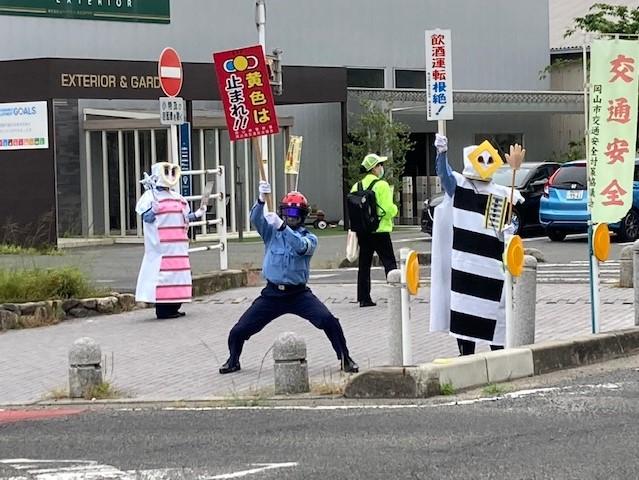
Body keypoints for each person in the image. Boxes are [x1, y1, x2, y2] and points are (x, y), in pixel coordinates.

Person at [219, 181, 359, 374]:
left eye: (295, 214)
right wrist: (260, 199)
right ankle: (233, 360)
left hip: (299, 294)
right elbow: (256, 219)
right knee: (239, 330)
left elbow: (300, 246)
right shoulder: (271, 233)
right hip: (272, 294)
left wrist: (283, 227)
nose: (290, 218)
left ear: (303, 216)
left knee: (329, 321)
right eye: (287, 213)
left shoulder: (310, 237)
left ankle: (345, 358)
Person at [429, 134, 524, 355]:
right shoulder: (460, 187)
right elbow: (445, 176)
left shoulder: (497, 193)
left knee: (496, 318)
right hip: (465, 265)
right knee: (465, 316)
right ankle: (466, 356)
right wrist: (441, 154)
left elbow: (497, 229)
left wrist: (507, 233)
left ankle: (499, 356)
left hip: (491, 266)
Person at [135, 162, 205, 319]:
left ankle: (174, 306)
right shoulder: (150, 197)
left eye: (173, 172)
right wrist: (152, 210)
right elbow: (146, 218)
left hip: (179, 247)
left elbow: (185, 217)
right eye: (166, 172)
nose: (170, 176)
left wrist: (198, 214)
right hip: (162, 248)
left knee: (179, 276)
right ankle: (164, 309)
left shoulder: (177, 197)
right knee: (163, 277)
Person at [350, 153, 398, 307]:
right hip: (380, 230)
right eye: (380, 165)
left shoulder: (356, 186)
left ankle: (364, 298)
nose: (382, 168)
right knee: (389, 262)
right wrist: (395, 210)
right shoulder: (381, 185)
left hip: (363, 231)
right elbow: (388, 209)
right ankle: (396, 295)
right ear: (374, 168)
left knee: (364, 264)